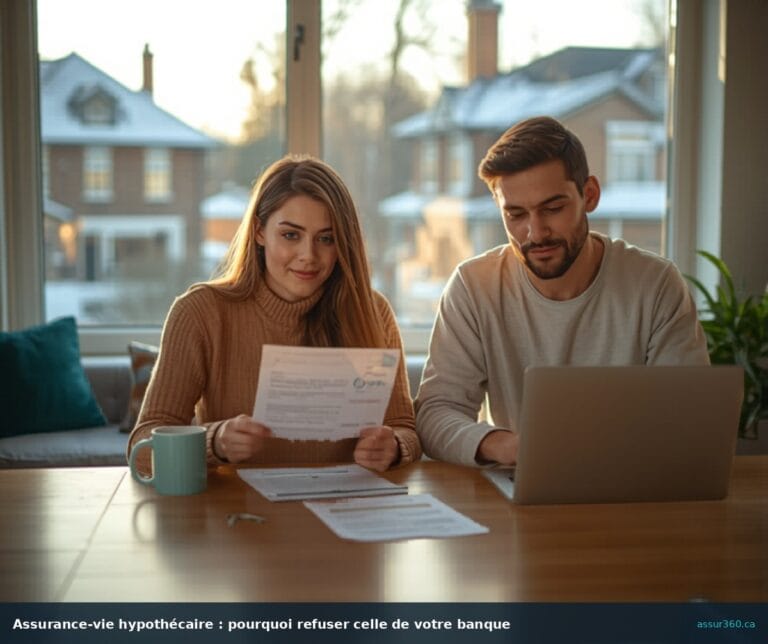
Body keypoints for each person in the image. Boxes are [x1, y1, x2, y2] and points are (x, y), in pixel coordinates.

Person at [414, 116, 709, 467]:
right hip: (523, 484)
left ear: (589, 195)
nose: (535, 233)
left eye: (553, 209)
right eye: (516, 215)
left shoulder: (655, 284)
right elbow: (435, 412)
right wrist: (506, 447)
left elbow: (690, 418)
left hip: (635, 485)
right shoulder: (473, 286)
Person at [128, 155, 421, 474]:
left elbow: (405, 428)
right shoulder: (201, 312)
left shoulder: (372, 312)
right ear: (259, 232)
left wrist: (393, 446)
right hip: (241, 514)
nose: (309, 256)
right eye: (291, 235)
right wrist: (215, 442)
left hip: (346, 509)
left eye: (326, 238)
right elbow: (142, 448)